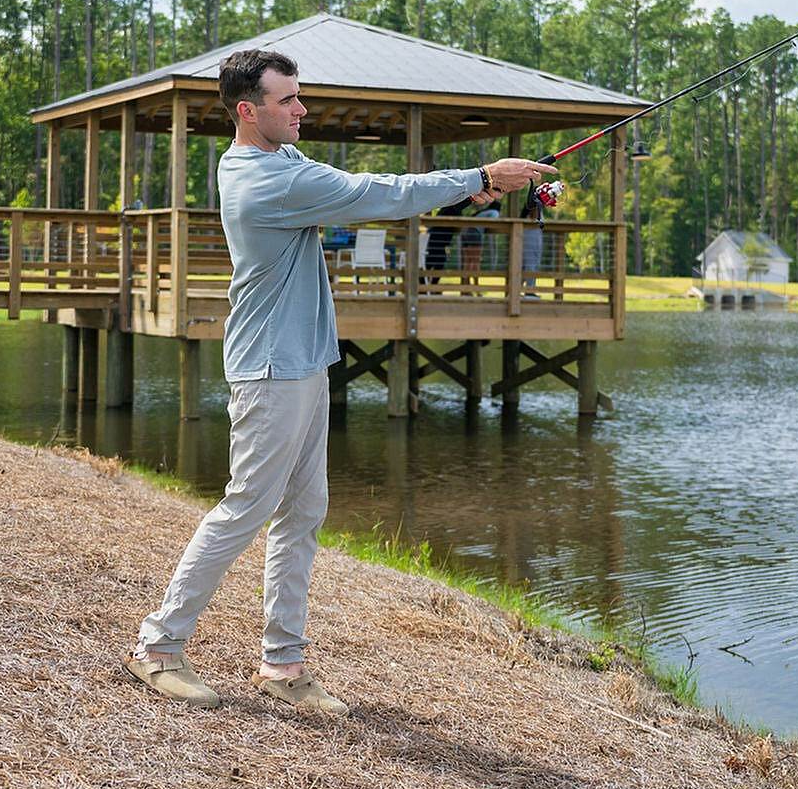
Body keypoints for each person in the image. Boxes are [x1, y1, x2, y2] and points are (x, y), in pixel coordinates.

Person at [126, 48, 555, 714]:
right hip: (272, 368)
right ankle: (157, 646)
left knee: (304, 513)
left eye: (299, 96)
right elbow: (371, 193)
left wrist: (463, 190)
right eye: (288, 99)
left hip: (303, 360)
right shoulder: (266, 180)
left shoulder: (278, 160)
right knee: (246, 508)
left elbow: (368, 192)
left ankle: (283, 663)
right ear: (249, 111)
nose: (302, 109)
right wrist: (478, 173)